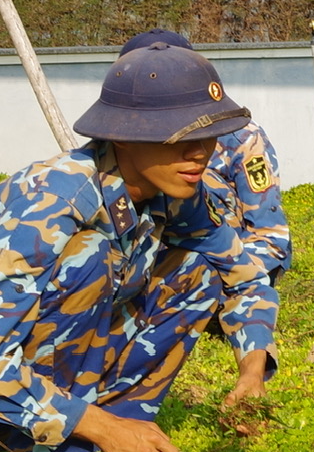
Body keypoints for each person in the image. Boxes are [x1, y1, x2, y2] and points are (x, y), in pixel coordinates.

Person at [0, 43, 268, 452]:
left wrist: (252, 371)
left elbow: (244, 276)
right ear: (126, 137)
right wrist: (101, 428)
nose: (200, 153)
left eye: (211, 136)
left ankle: (131, 432)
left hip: (27, 382)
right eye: (179, 137)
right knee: (88, 257)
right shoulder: (57, 203)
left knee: (198, 270)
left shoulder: (175, 193)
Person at [120, 28, 288, 408]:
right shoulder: (78, 192)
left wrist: (230, 288)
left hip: (221, 257)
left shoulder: (242, 139)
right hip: (154, 266)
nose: (195, 152)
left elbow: (268, 236)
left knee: (204, 269)